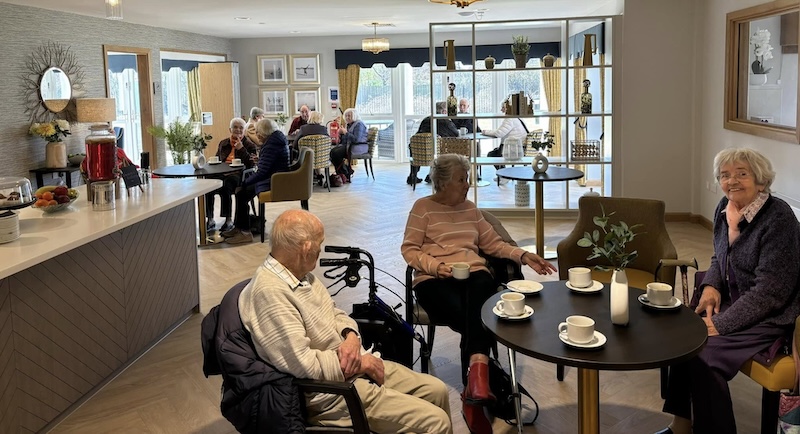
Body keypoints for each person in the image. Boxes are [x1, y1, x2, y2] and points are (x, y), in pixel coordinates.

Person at [238, 209, 453, 433]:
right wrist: (361, 363)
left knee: (437, 390)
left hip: (351, 368)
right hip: (332, 393)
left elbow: (335, 313)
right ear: (305, 249)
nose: (321, 250)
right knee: (436, 422)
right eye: (320, 244)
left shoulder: (301, 275)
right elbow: (305, 366)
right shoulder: (270, 294)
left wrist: (350, 336)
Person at [401, 154, 556, 433]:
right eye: (462, 179)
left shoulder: (471, 210)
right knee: (478, 318)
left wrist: (523, 255)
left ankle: (474, 392)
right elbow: (409, 250)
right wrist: (436, 266)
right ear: (443, 183)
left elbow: (494, 245)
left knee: (483, 281)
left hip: (472, 277)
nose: (467, 185)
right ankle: (479, 381)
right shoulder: (422, 208)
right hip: (433, 279)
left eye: (467, 179)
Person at [657, 148, 800, 434]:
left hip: (772, 313)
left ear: (761, 181)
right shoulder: (726, 208)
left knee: (704, 355)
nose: (732, 181)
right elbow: (718, 257)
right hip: (737, 300)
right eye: (725, 175)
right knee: (681, 337)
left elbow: (771, 292)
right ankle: (681, 426)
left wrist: (720, 324)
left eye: (742, 174)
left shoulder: (778, 218)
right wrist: (711, 285)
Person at [222, 118, 289, 245]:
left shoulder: (271, 145)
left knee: (241, 193)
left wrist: (245, 182)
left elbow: (262, 173)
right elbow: (269, 165)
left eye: (257, 132)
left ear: (264, 133)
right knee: (241, 192)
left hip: (273, 182)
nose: (256, 135)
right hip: (274, 178)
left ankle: (245, 233)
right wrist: (261, 159)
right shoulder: (275, 141)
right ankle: (239, 228)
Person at [206, 117, 257, 232]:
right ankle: (210, 219)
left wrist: (241, 149)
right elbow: (218, 159)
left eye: (241, 128)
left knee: (226, 185)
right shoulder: (223, 143)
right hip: (222, 172)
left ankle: (228, 220)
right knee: (208, 185)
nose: (238, 130)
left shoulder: (249, 145)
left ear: (244, 130)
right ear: (230, 129)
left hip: (239, 174)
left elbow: (251, 164)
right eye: (235, 127)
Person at [408, 102, 459, 185]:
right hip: (436, 151)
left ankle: (413, 175)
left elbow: (418, 134)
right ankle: (432, 175)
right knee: (439, 147)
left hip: (419, 151)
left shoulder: (426, 119)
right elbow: (456, 134)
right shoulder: (445, 121)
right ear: (444, 112)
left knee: (421, 146)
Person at [483, 105, 528, 184]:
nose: (501, 110)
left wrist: (485, 132)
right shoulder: (517, 117)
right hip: (520, 147)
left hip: (513, 148)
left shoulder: (510, 119)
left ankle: (504, 176)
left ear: (508, 108)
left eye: (503, 108)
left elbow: (499, 133)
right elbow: (500, 131)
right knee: (495, 152)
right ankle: (504, 175)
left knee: (492, 155)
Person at [330, 108, 367, 181]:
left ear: (354, 116)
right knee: (332, 151)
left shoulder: (359, 124)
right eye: (346, 116)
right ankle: (344, 172)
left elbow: (356, 139)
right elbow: (345, 140)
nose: (347, 118)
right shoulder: (349, 125)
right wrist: (341, 134)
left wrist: (345, 133)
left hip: (358, 147)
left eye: (349, 116)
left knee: (335, 153)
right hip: (349, 146)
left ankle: (344, 173)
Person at [295, 111, 329, 184]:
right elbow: (328, 143)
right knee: (317, 154)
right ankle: (319, 175)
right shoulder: (323, 129)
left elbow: (295, 144)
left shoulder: (303, 128)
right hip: (321, 159)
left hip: (305, 157)